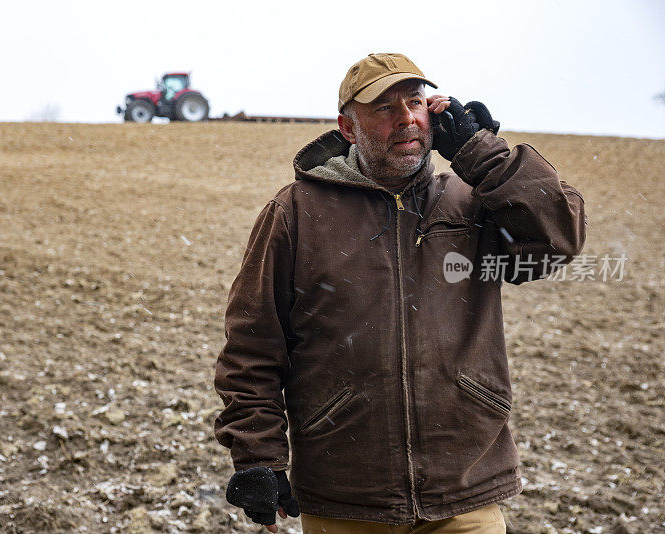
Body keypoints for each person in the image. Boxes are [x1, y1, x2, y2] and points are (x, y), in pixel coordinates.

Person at [214, 53, 586, 533]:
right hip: (346, 496)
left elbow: (559, 239)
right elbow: (253, 345)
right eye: (384, 108)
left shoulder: (470, 201)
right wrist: (256, 457)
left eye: (414, 102)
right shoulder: (297, 213)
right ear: (349, 128)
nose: (406, 119)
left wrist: (483, 152)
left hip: (464, 489)